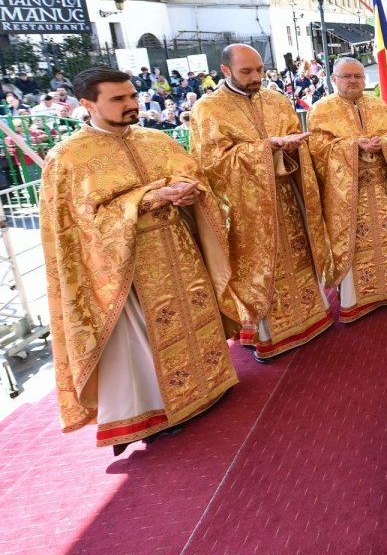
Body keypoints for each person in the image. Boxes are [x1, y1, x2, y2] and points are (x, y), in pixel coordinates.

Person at [40, 67, 240, 455]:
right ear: (87, 104)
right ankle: (154, 413)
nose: (132, 104)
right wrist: (147, 199)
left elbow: (192, 176)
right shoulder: (67, 159)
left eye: (132, 96)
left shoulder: (156, 139)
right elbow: (75, 230)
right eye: (118, 99)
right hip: (124, 269)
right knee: (140, 339)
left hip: (177, 249)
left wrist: (189, 191)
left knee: (192, 318)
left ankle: (210, 385)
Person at [191, 44, 333, 362]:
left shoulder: (277, 101)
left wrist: (292, 149)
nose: (256, 77)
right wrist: (266, 148)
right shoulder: (208, 109)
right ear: (225, 71)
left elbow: (296, 139)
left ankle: (314, 316)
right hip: (248, 211)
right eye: (246, 72)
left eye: (259, 70)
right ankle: (269, 334)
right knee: (261, 267)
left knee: (299, 255)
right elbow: (210, 164)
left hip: (287, 198)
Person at [307, 58, 387, 321]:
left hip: (383, 188)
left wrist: (384, 144)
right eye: (347, 76)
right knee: (354, 244)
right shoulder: (321, 110)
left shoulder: (378, 105)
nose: (353, 81)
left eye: (358, 76)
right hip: (348, 196)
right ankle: (355, 299)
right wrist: (353, 146)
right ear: (333, 79)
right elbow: (318, 151)